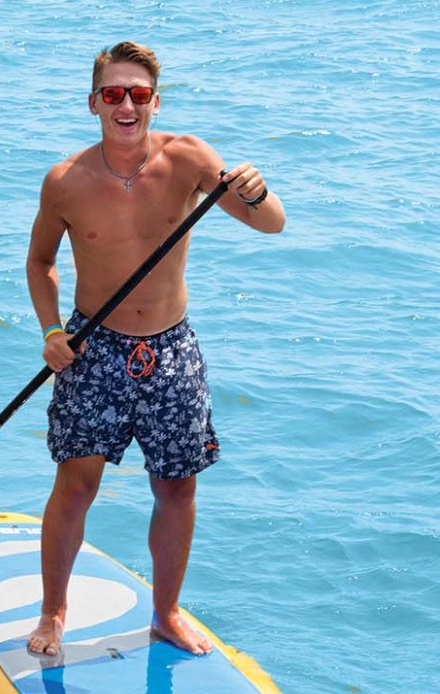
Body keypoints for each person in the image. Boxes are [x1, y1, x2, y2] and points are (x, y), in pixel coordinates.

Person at [25, 40, 285, 657]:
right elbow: (40, 262)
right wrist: (50, 332)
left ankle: (166, 613)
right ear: (93, 103)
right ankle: (53, 612)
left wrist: (254, 190)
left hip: (171, 349)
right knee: (75, 485)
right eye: (113, 94)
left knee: (177, 488)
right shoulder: (66, 180)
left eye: (138, 95)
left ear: (155, 103)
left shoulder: (189, 158)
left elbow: (271, 223)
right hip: (94, 348)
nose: (126, 105)